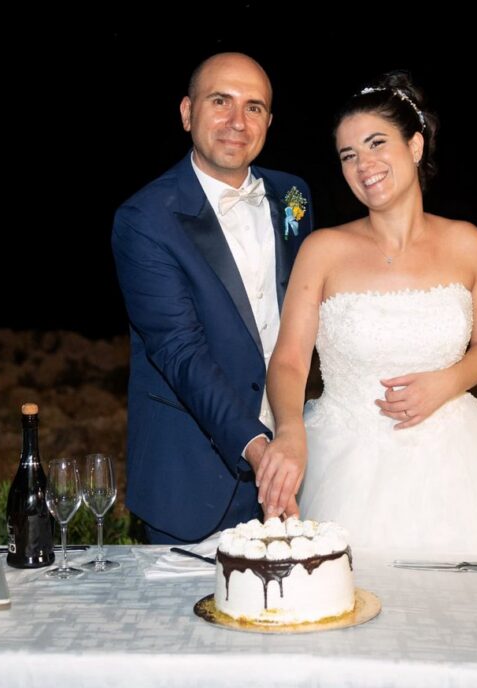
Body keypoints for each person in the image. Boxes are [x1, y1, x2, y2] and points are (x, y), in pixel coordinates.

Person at [257, 72, 477, 558]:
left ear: (414, 145)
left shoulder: (467, 243)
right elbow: (289, 361)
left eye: (376, 144)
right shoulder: (323, 250)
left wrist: (449, 382)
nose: (364, 165)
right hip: (344, 462)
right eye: (348, 155)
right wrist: (289, 431)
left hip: (457, 462)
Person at [111, 53, 312, 544]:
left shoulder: (295, 196)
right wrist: (260, 449)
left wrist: (291, 435)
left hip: (295, 464)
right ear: (187, 113)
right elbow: (179, 351)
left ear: (269, 122)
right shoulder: (145, 218)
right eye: (220, 101)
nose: (237, 121)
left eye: (254, 107)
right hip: (191, 479)